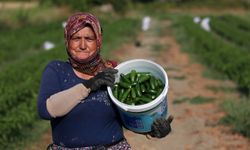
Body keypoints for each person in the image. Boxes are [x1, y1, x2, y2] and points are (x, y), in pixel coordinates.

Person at [37, 12, 173, 150]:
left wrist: (153, 129)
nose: (82, 45)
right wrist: (88, 86)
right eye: (76, 38)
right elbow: (46, 110)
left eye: (89, 38)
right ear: (67, 40)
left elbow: (129, 116)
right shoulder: (57, 69)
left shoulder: (112, 71)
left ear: (98, 41)